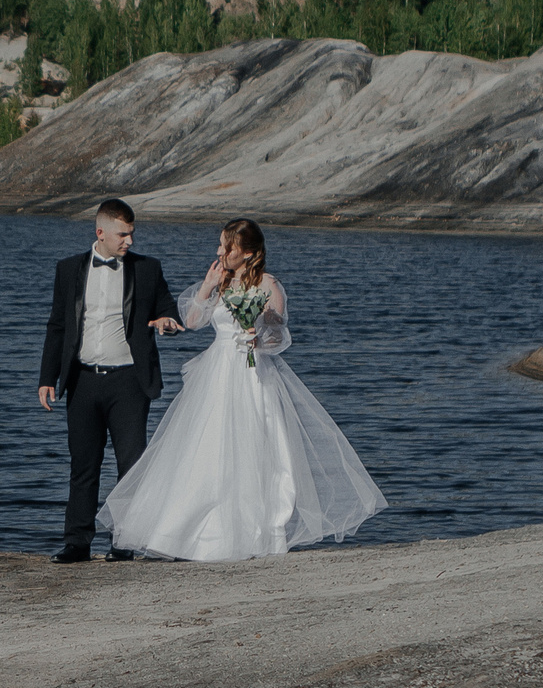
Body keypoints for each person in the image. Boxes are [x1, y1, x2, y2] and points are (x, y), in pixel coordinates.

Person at [99, 217, 385, 561]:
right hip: (217, 374)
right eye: (221, 244)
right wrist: (207, 286)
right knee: (206, 448)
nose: (220, 252)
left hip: (252, 375)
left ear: (248, 253)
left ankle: (255, 534)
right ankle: (192, 536)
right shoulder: (220, 280)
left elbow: (279, 337)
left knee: (256, 448)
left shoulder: (269, 285)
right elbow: (193, 322)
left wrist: (259, 337)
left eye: (228, 247)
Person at [38, 198, 183, 562]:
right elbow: (57, 326)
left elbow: (167, 309)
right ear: (100, 232)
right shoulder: (68, 269)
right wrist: (47, 377)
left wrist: (167, 322)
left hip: (129, 382)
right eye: (122, 234)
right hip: (82, 380)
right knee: (83, 465)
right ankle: (77, 543)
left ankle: (124, 542)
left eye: (132, 234)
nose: (129, 241)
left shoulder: (148, 269)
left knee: (130, 465)